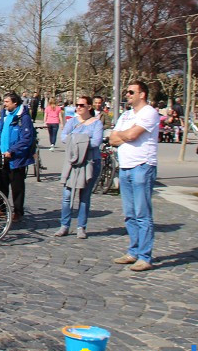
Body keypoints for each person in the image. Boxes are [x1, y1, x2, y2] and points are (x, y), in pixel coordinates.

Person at [108, 79, 160, 272]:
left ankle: (145, 255)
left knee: (142, 213)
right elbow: (113, 138)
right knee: (129, 213)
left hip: (142, 166)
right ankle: (134, 250)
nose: (127, 95)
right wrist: (124, 134)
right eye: (127, 92)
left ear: (142, 94)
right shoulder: (126, 115)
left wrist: (124, 135)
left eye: (131, 92)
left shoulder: (149, 113)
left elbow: (132, 135)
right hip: (126, 166)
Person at [54, 96, 104, 239]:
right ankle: (64, 225)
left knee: (84, 197)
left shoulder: (96, 124)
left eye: (82, 105)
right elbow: (64, 137)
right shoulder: (72, 122)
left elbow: (96, 142)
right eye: (77, 105)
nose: (78, 107)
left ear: (89, 107)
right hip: (73, 162)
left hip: (90, 161)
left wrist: (76, 140)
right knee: (67, 195)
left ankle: (81, 226)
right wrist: (81, 140)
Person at [0, 92, 35, 222]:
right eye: (4, 102)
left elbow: (27, 139)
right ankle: (0, 208)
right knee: (0, 183)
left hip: (16, 158)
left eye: (7, 102)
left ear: (15, 103)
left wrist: (13, 150)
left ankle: (18, 211)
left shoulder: (23, 118)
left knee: (17, 186)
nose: (4, 104)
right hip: (2, 155)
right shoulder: (5, 115)